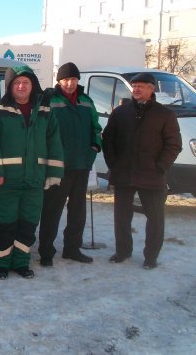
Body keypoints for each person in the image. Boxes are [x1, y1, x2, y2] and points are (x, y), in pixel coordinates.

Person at [0, 65, 64, 280]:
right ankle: (1, 263)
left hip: (35, 180)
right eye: (16, 83)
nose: (21, 86)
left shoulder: (45, 110)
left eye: (25, 83)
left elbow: (54, 141)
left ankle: (20, 262)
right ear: (10, 87)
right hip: (7, 180)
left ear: (32, 85)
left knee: (28, 223)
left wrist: (54, 171)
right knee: (4, 223)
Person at [102, 72, 181, 269]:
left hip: (152, 175)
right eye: (134, 86)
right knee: (122, 216)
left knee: (155, 218)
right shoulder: (120, 112)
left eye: (141, 86)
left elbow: (173, 145)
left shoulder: (165, 114)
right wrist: (113, 163)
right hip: (124, 173)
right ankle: (122, 251)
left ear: (152, 89)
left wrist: (160, 167)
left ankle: (150, 257)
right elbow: (108, 140)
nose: (136, 89)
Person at [38, 62, 102, 266]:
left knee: (78, 211)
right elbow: (41, 129)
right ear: (59, 81)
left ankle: (72, 248)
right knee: (52, 210)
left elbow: (96, 128)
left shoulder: (86, 101)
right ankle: (46, 252)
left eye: (73, 79)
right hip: (59, 166)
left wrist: (94, 147)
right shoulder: (49, 99)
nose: (70, 83)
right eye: (66, 79)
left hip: (82, 165)